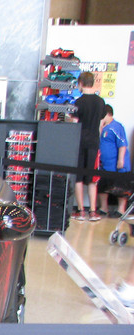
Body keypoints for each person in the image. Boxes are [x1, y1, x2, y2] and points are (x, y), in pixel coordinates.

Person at [68, 71, 106, 222]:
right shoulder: (101, 102)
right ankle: (93, 211)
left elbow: (74, 123)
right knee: (92, 178)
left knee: (78, 177)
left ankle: (81, 211)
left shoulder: (78, 102)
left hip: (79, 142)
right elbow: (101, 124)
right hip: (94, 143)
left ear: (80, 83)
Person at [98, 103, 131, 218]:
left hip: (116, 164)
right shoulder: (103, 127)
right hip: (105, 165)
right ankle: (103, 208)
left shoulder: (116, 127)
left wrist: (120, 160)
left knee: (121, 188)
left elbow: (122, 144)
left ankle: (121, 210)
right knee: (102, 186)